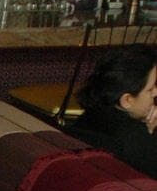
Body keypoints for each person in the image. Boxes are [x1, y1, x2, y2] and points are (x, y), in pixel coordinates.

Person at [67, 42, 157, 178]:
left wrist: (147, 131)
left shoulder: (90, 116)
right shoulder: (133, 140)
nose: (156, 92)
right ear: (127, 100)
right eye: (150, 89)